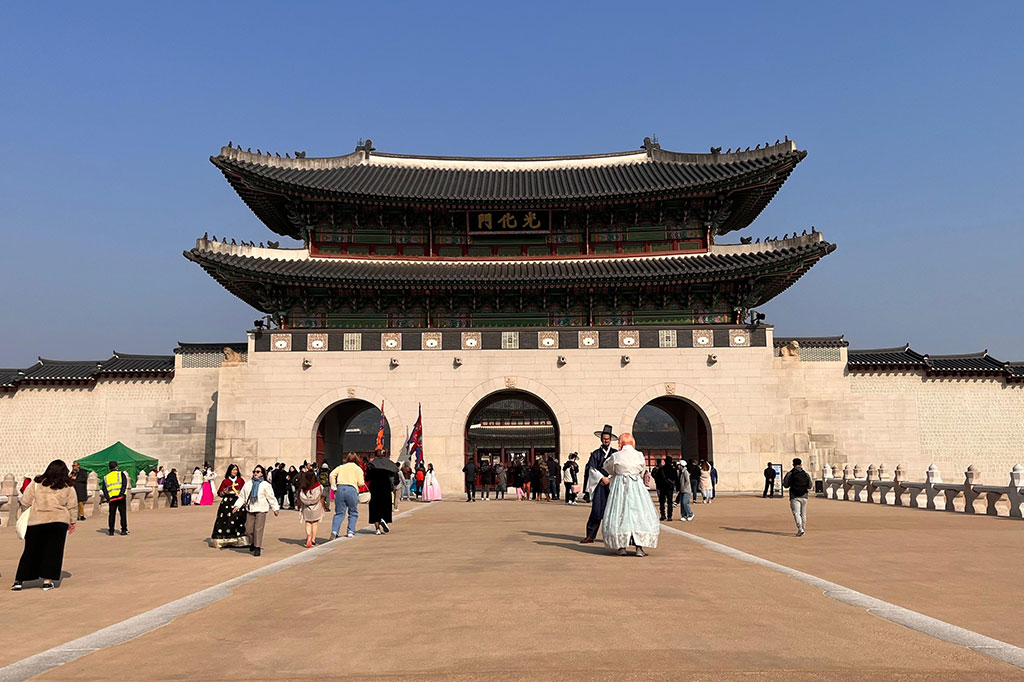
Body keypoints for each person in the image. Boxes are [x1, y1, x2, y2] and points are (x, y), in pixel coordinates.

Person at [12, 460, 78, 591]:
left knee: (30, 551)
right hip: (58, 522)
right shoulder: (67, 486)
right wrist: (73, 522)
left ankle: (19, 580)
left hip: (37, 521)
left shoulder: (36, 484)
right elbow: (72, 506)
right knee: (53, 552)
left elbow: (25, 501)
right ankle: (47, 581)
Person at [602, 433, 660, 557]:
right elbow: (641, 468)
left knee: (620, 513)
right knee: (639, 513)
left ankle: (622, 547)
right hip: (636, 485)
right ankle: (639, 547)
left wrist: (618, 473)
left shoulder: (616, 455)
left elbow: (608, 467)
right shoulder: (639, 455)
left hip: (621, 485)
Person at [232, 465, 279, 556]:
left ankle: (257, 547)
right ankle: (253, 542)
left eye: (257, 472)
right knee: (248, 529)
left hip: (261, 509)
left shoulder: (265, 485)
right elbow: (242, 496)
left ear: (262, 474)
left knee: (258, 529)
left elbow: (271, 497)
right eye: (254, 471)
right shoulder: (248, 484)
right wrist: (237, 506)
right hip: (250, 508)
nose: (255, 473)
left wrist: (275, 508)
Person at [581, 425, 617, 543]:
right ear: (601, 439)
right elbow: (591, 469)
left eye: (607, 439)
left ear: (610, 440)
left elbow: (618, 468)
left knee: (614, 511)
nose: (606, 441)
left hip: (612, 484)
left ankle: (614, 536)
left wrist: (610, 478)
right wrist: (602, 478)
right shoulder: (596, 453)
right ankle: (591, 535)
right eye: (604, 439)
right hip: (600, 484)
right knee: (597, 509)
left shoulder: (615, 453)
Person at [210, 463, 246, 548]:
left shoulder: (240, 480)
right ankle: (225, 540)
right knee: (226, 519)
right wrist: (224, 492)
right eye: (233, 470)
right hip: (227, 502)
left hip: (238, 500)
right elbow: (220, 492)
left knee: (239, 518)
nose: (235, 472)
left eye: (236, 470)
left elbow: (245, 490)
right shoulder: (226, 481)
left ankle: (239, 540)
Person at [329, 453, 364, 539]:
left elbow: (331, 474)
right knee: (353, 512)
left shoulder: (341, 467)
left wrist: (333, 485)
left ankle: (335, 531)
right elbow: (361, 483)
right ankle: (350, 531)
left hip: (340, 488)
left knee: (339, 513)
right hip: (352, 489)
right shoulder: (358, 469)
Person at [367, 450, 398, 535]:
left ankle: (377, 528)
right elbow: (395, 477)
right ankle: (384, 520)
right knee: (386, 506)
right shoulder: (390, 464)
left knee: (375, 507)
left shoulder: (372, 464)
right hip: (386, 487)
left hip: (375, 488)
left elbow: (367, 477)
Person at [782, 457, 812, 537]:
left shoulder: (790, 474)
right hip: (804, 496)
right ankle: (803, 528)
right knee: (803, 514)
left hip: (794, 496)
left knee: (796, 513)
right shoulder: (805, 474)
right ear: (801, 464)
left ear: (793, 464)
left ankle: (800, 528)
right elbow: (810, 486)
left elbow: (785, 485)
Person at [101, 460, 130, 536]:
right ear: (116, 466)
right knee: (122, 514)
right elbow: (124, 484)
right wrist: (121, 494)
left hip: (112, 499)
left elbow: (104, 489)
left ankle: (111, 531)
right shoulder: (121, 474)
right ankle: (123, 530)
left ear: (109, 468)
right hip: (121, 498)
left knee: (112, 515)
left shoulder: (106, 477)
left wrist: (108, 498)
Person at [297, 469, 324, 548]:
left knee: (308, 523)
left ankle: (309, 536)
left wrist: (307, 502)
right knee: (315, 523)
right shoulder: (318, 486)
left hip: (306, 508)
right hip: (316, 507)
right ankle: (313, 540)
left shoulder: (303, 487)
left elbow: (301, 497)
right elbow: (318, 497)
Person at [654, 456, 678, 521]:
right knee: (670, 502)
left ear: (664, 461)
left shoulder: (661, 469)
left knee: (662, 502)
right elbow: (676, 479)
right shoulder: (673, 470)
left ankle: (663, 515)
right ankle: (669, 516)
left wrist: (658, 486)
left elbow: (657, 478)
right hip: (670, 487)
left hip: (662, 487)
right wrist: (677, 487)